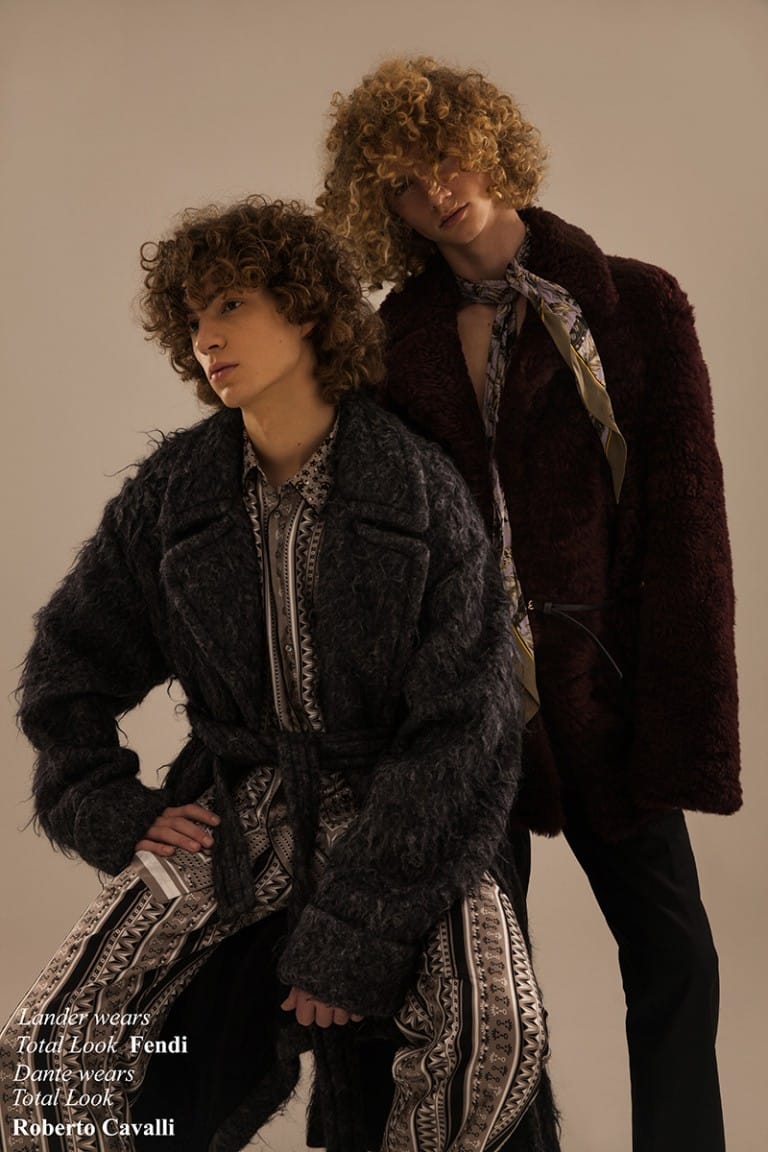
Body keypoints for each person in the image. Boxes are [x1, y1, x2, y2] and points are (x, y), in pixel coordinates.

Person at [0, 197, 560, 1152]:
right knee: (54, 1050)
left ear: (305, 310)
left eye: (231, 305)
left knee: (490, 1038)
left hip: (403, 815)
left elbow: (467, 729)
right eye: (193, 320)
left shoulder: (418, 490)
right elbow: (66, 672)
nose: (206, 338)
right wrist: (107, 804)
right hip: (239, 809)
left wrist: (357, 929)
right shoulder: (175, 493)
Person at [318, 56, 741, 1152]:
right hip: (467, 710)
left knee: (676, 955)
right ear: (385, 208)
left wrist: (679, 716)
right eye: (402, 182)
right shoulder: (391, 345)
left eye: (444, 156)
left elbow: (686, 525)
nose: (436, 190)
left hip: (603, 693)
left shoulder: (635, 305)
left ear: (491, 145)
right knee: (483, 982)